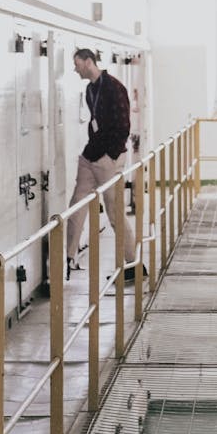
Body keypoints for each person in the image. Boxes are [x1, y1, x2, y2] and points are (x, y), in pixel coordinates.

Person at [66, 48, 137, 280]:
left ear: (88, 62)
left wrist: (110, 156)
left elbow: (122, 127)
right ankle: (68, 258)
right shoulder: (90, 89)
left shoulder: (114, 88)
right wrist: (90, 153)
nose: (75, 69)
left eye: (77, 64)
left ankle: (132, 265)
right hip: (91, 156)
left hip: (107, 158)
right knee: (77, 204)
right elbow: (95, 124)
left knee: (115, 213)